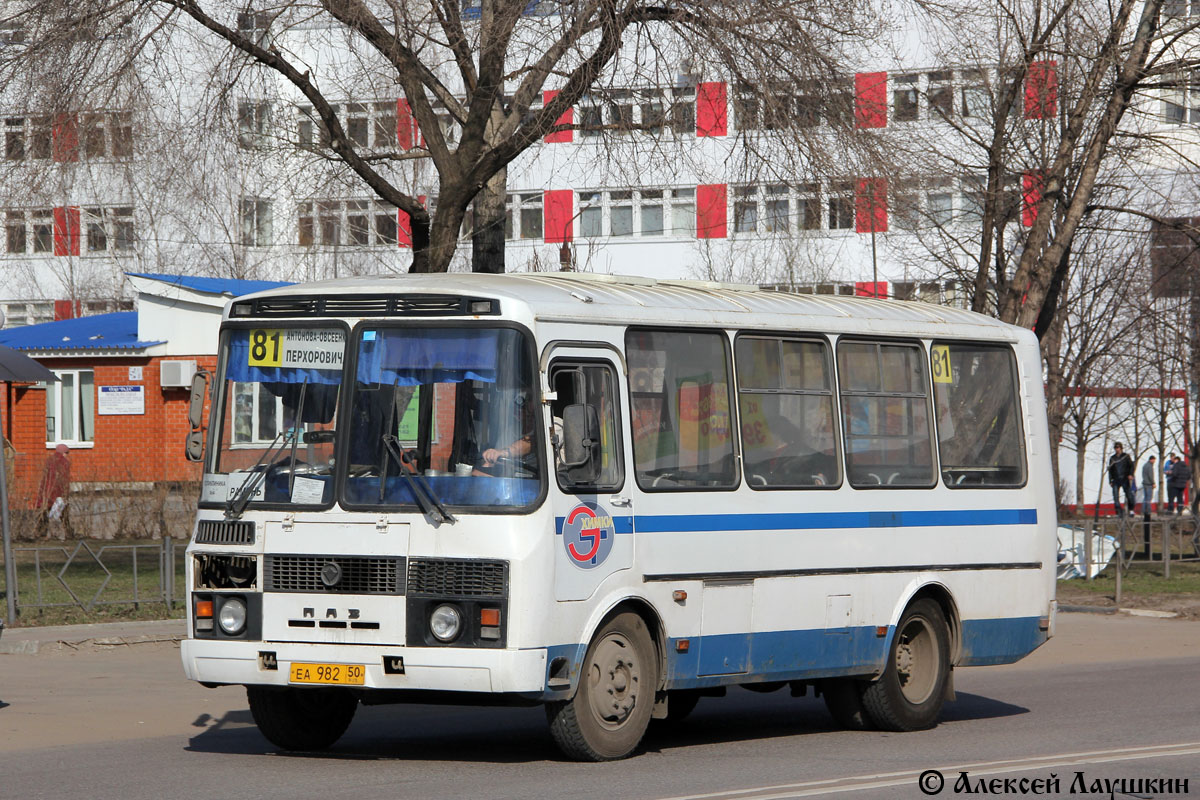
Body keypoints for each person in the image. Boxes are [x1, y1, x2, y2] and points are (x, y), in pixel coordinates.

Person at [35, 443, 73, 538]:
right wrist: (66, 492)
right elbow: (64, 479)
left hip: (46, 491)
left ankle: (41, 532)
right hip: (58, 491)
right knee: (63, 513)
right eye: (66, 453)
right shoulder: (65, 463)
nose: (67, 455)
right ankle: (67, 533)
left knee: (44, 512)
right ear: (64, 452)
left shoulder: (49, 460)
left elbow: (45, 477)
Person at [1107, 442, 1135, 517]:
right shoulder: (1112, 458)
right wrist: (1110, 480)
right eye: (1116, 448)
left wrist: (1130, 474)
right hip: (1116, 479)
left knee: (1129, 495)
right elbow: (1110, 470)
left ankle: (1131, 510)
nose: (1117, 449)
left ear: (1121, 448)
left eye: (1118, 447)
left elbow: (1131, 466)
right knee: (1115, 497)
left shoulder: (1126, 456)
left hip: (1125, 478)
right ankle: (1119, 512)